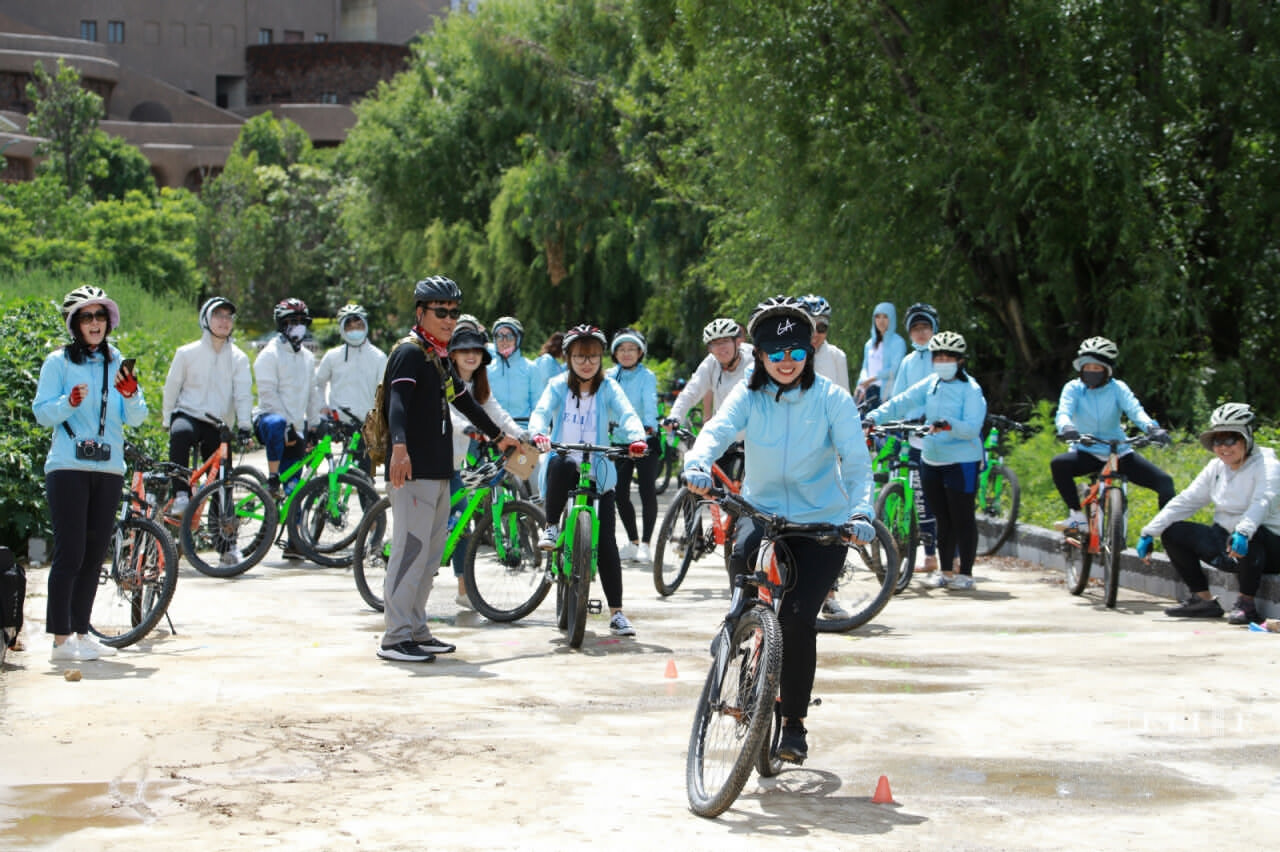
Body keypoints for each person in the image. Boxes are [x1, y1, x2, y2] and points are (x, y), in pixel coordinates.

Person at [683, 295, 876, 764]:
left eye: (795, 353)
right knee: (745, 573)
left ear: (809, 353)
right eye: (775, 353)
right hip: (762, 511)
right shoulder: (748, 396)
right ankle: (739, 628)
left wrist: (861, 513)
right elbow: (716, 430)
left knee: (796, 620)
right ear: (761, 355)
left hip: (821, 523)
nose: (785, 362)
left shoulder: (832, 400)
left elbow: (855, 464)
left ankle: (792, 723)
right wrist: (696, 463)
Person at [378, 276, 517, 662]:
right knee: (410, 552)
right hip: (414, 470)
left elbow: (464, 401)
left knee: (430, 553)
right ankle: (395, 636)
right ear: (421, 312)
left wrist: (498, 435)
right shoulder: (409, 353)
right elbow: (398, 404)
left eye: (454, 312)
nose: (449, 319)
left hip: (439, 470)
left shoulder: (436, 355)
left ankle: (416, 628)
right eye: (441, 312)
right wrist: (399, 449)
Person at [32, 286, 149, 662]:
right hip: (68, 466)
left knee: (95, 552)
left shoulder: (118, 362)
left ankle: (81, 632)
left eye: (100, 316)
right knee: (71, 552)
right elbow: (41, 413)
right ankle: (60, 640)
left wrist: (131, 394)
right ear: (74, 324)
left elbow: (137, 418)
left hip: (109, 467)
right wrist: (69, 402)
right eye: (87, 317)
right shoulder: (59, 362)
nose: (95, 323)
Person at [529, 324, 648, 638]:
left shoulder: (608, 386)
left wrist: (637, 437)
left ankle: (617, 613)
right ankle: (552, 526)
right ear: (568, 357)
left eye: (593, 356)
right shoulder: (557, 385)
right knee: (560, 461)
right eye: (580, 356)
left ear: (600, 358)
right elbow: (541, 411)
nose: (587, 363)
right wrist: (539, 433)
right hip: (563, 465)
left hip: (599, 467)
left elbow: (628, 413)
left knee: (606, 541)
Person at [1137, 403, 1280, 624]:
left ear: (1247, 437)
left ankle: (1247, 604)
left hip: (1266, 547)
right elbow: (1187, 500)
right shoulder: (1216, 468)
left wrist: (1243, 531)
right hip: (1228, 542)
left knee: (1253, 534)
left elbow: (1261, 502)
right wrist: (1149, 532)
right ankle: (1203, 601)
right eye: (1217, 440)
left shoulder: (1267, 465)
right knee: (1173, 532)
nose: (1223, 447)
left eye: (1231, 439)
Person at [865, 331, 987, 589]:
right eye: (938, 356)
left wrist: (948, 425)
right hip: (932, 460)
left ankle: (965, 573)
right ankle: (945, 572)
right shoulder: (931, 384)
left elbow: (972, 428)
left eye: (949, 357)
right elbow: (902, 401)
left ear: (960, 360)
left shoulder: (971, 389)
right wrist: (873, 417)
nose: (943, 361)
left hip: (962, 461)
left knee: (962, 517)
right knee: (943, 517)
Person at [1052, 336, 1174, 532]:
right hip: (1086, 450)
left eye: (1097, 368)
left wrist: (1153, 428)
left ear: (1107, 371)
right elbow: (1063, 413)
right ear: (1081, 368)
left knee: (1165, 483)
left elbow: (1136, 411)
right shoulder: (1073, 388)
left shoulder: (1118, 388)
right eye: (1087, 367)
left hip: (1119, 452)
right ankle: (1076, 515)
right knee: (1059, 464)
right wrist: (1067, 428)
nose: (1091, 372)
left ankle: (1168, 534)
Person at [446, 323, 521, 609]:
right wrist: (467, 429)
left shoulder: (479, 388)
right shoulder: (445, 381)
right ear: (452, 355)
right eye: (463, 350)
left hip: (453, 464)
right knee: (435, 524)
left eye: (476, 350)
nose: (470, 355)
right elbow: (447, 415)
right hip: (430, 465)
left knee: (462, 523)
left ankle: (464, 591)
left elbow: (498, 415)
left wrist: (523, 435)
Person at [161, 296, 254, 517]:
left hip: (218, 423)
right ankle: (181, 496)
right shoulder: (187, 353)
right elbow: (172, 387)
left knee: (224, 479)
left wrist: (244, 426)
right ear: (206, 319)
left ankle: (224, 539)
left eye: (228, 317)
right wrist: (167, 419)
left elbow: (243, 394)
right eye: (218, 315)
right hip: (189, 414)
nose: (224, 321)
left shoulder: (239, 358)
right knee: (181, 433)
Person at [889, 302, 941, 572]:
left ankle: (942, 554)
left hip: (936, 434)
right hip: (912, 433)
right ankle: (926, 554)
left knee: (935, 496)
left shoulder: (941, 358)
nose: (921, 333)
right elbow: (899, 397)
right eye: (916, 329)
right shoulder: (908, 362)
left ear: (934, 329)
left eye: (925, 327)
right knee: (918, 494)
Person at [314, 303, 387, 476]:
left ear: (366, 326)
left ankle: (368, 504)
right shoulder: (333, 356)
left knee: (365, 478)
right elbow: (317, 383)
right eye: (349, 326)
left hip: (367, 426)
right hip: (339, 425)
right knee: (332, 474)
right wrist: (322, 406)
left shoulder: (378, 357)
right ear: (342, 329)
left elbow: (385, 392)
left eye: (359, 325)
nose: (355, 329)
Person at [607, 328, 660, 563]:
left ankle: (647, 544)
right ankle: (633, 541)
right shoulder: (609, 376)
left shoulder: (647, 376)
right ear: (615, 353)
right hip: (618, 440)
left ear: (640, 352)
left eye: (631, 349)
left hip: (644, 440)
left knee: (648, 490)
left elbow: (650, 402)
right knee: (619, 493)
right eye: (621, 349)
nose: (626, 353)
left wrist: (649, 425)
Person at [854, 301, 906, 411]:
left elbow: (894, 370)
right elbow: (865, 367)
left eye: (885, 317)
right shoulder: (869, 344)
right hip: (868, 392)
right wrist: (862, 384)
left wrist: (872, 378)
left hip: (886, 393)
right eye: (877, 317)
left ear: (891, 318)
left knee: (884, 426)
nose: (881, 321)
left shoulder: (898, 342)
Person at [488, 316, 539, 425]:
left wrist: (535, 432)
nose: (504, 341)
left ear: (518, 339)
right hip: (495, 432)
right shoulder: (487, 370)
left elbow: (537, 406)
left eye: (510, 336)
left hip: (523, 430)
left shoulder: (531, 368)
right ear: (494, 340)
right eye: (499, 336)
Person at [801, 294, 850, 393]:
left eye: (821, 328)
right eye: (809, 328)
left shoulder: (837, 356)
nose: (815, 334)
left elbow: (845, 399)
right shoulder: (785, 357)